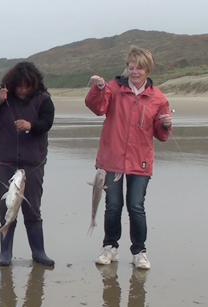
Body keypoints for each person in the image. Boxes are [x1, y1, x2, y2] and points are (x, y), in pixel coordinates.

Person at [86, 45, 172, 270]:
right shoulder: (114, 89)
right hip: (112, 159)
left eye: (139, 68)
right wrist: (99, 88)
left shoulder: (158, 98)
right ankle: (109, 247)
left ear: (148, 70)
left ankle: (139, 251)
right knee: (113, 205)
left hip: (140, 160)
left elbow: (161, 135)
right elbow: (96, 107)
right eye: (131, 67)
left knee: (136, 206)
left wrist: (164, 126)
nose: (134, 72)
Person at [0, 62, 55, 266]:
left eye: (27, 86)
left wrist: (31, 126)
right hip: (5, 162)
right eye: (19, 85)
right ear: (12, 84)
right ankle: (5, 253)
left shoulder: (43, 99)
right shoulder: (3, 97)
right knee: (6, 208)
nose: (23, 89)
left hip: (33, 164)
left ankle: (39, 252)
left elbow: (47, 122)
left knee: (32, 209)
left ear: (34, 84)